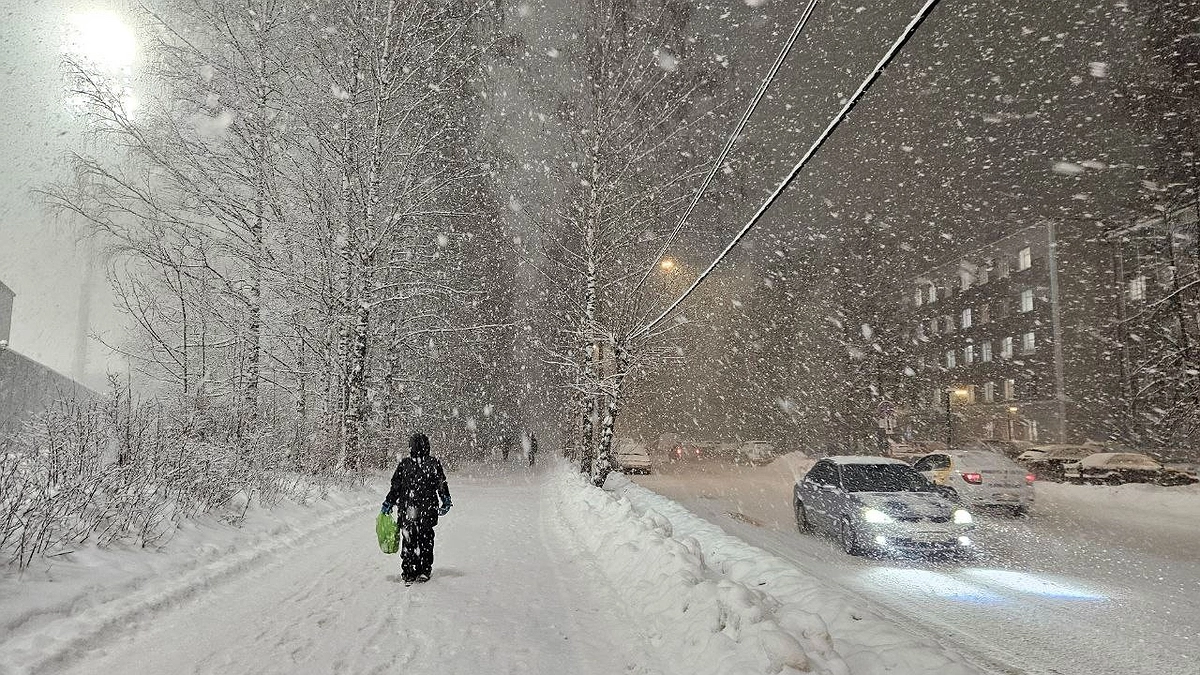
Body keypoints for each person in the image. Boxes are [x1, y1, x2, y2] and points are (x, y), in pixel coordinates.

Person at [381, 433, 452, 585]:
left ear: (411, 447)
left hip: (408, 510)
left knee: (409, 541)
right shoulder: (433, 463)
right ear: (427, 446)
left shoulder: (404, 464)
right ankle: (424, 570)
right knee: (426, 540)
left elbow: (395, 487)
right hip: (427, 509)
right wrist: (445, 500)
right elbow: (441, 484)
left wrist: (388, 502)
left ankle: (408, 572)